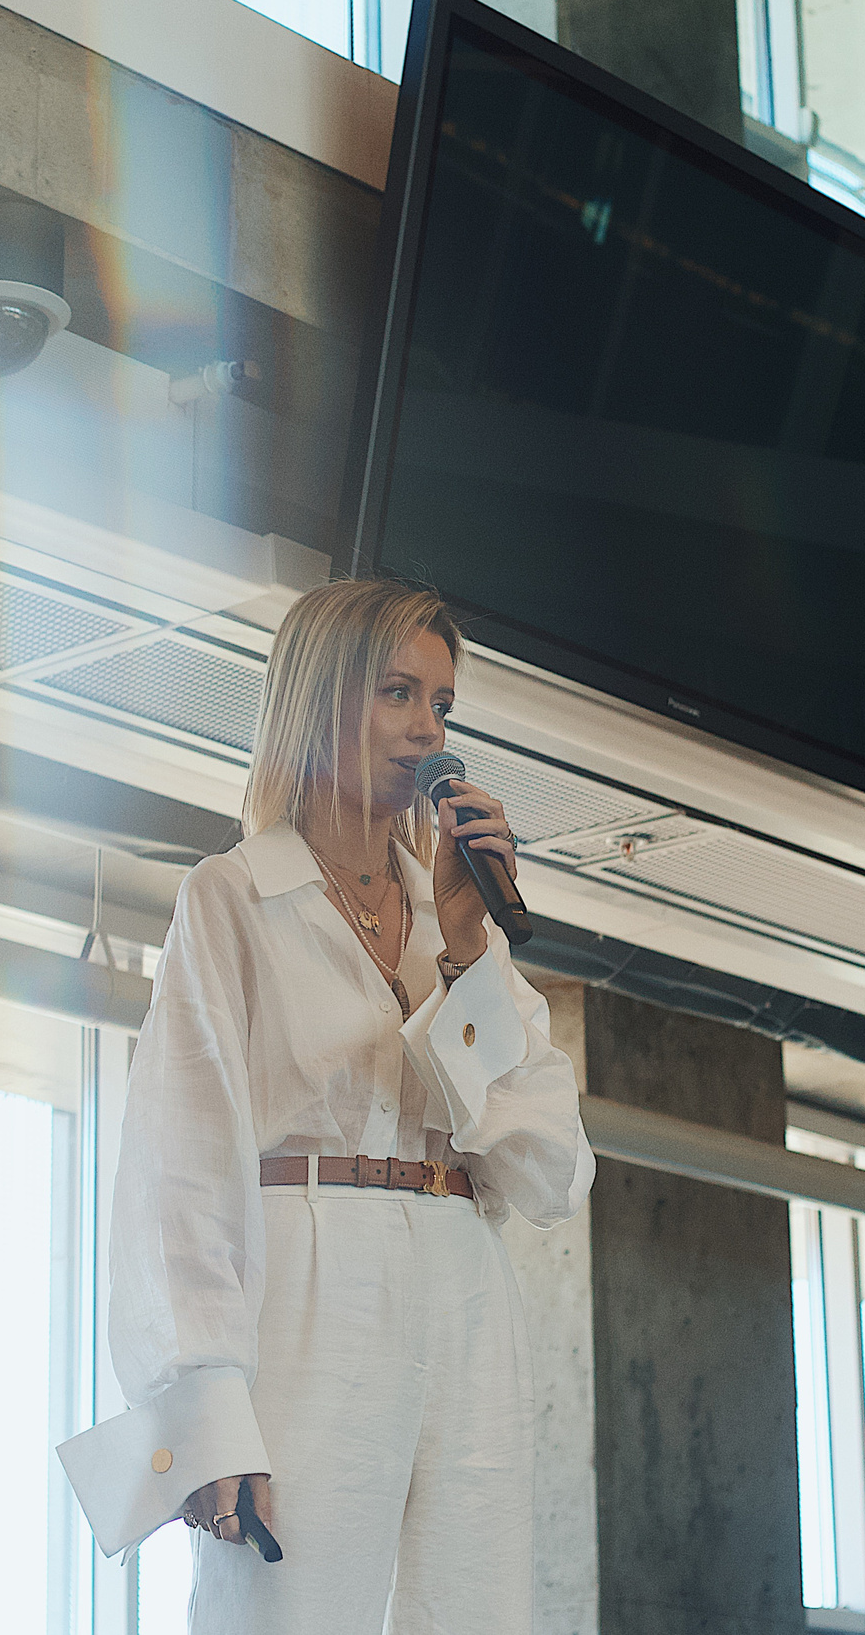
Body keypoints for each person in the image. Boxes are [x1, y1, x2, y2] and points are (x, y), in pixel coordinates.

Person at [57, 578, 594, 1635]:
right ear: (318, 700)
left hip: (464, 1289)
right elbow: (180, 1169)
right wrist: (204, 1411)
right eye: (398, 692)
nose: (428, 728)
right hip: (309, 1290)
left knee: (474, 1609)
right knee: (290, 1606)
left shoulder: (458, 922)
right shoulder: (231, 896)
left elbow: (550, 1169)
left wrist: (466, 951)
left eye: (442, 703)